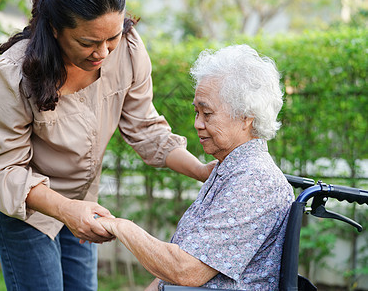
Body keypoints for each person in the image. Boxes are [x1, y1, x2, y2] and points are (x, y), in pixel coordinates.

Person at [0, 0, 215, 290]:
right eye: (87, 43)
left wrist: (200, 171)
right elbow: (3, 170)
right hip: (26, 205)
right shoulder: (14, 73)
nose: (102, 52)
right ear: (54, 28)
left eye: (111, 38)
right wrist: (65, 210)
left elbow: (145, 128)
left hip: (82, 202)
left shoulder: (128, 50)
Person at [97, 44, 295, 290]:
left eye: (207, 114)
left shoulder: (254, 180)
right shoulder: (230, 168)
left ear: (246, 117)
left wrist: (120, 226)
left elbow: (185, 270)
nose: (197, 123)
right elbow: (175, 269)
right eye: (196, 112)